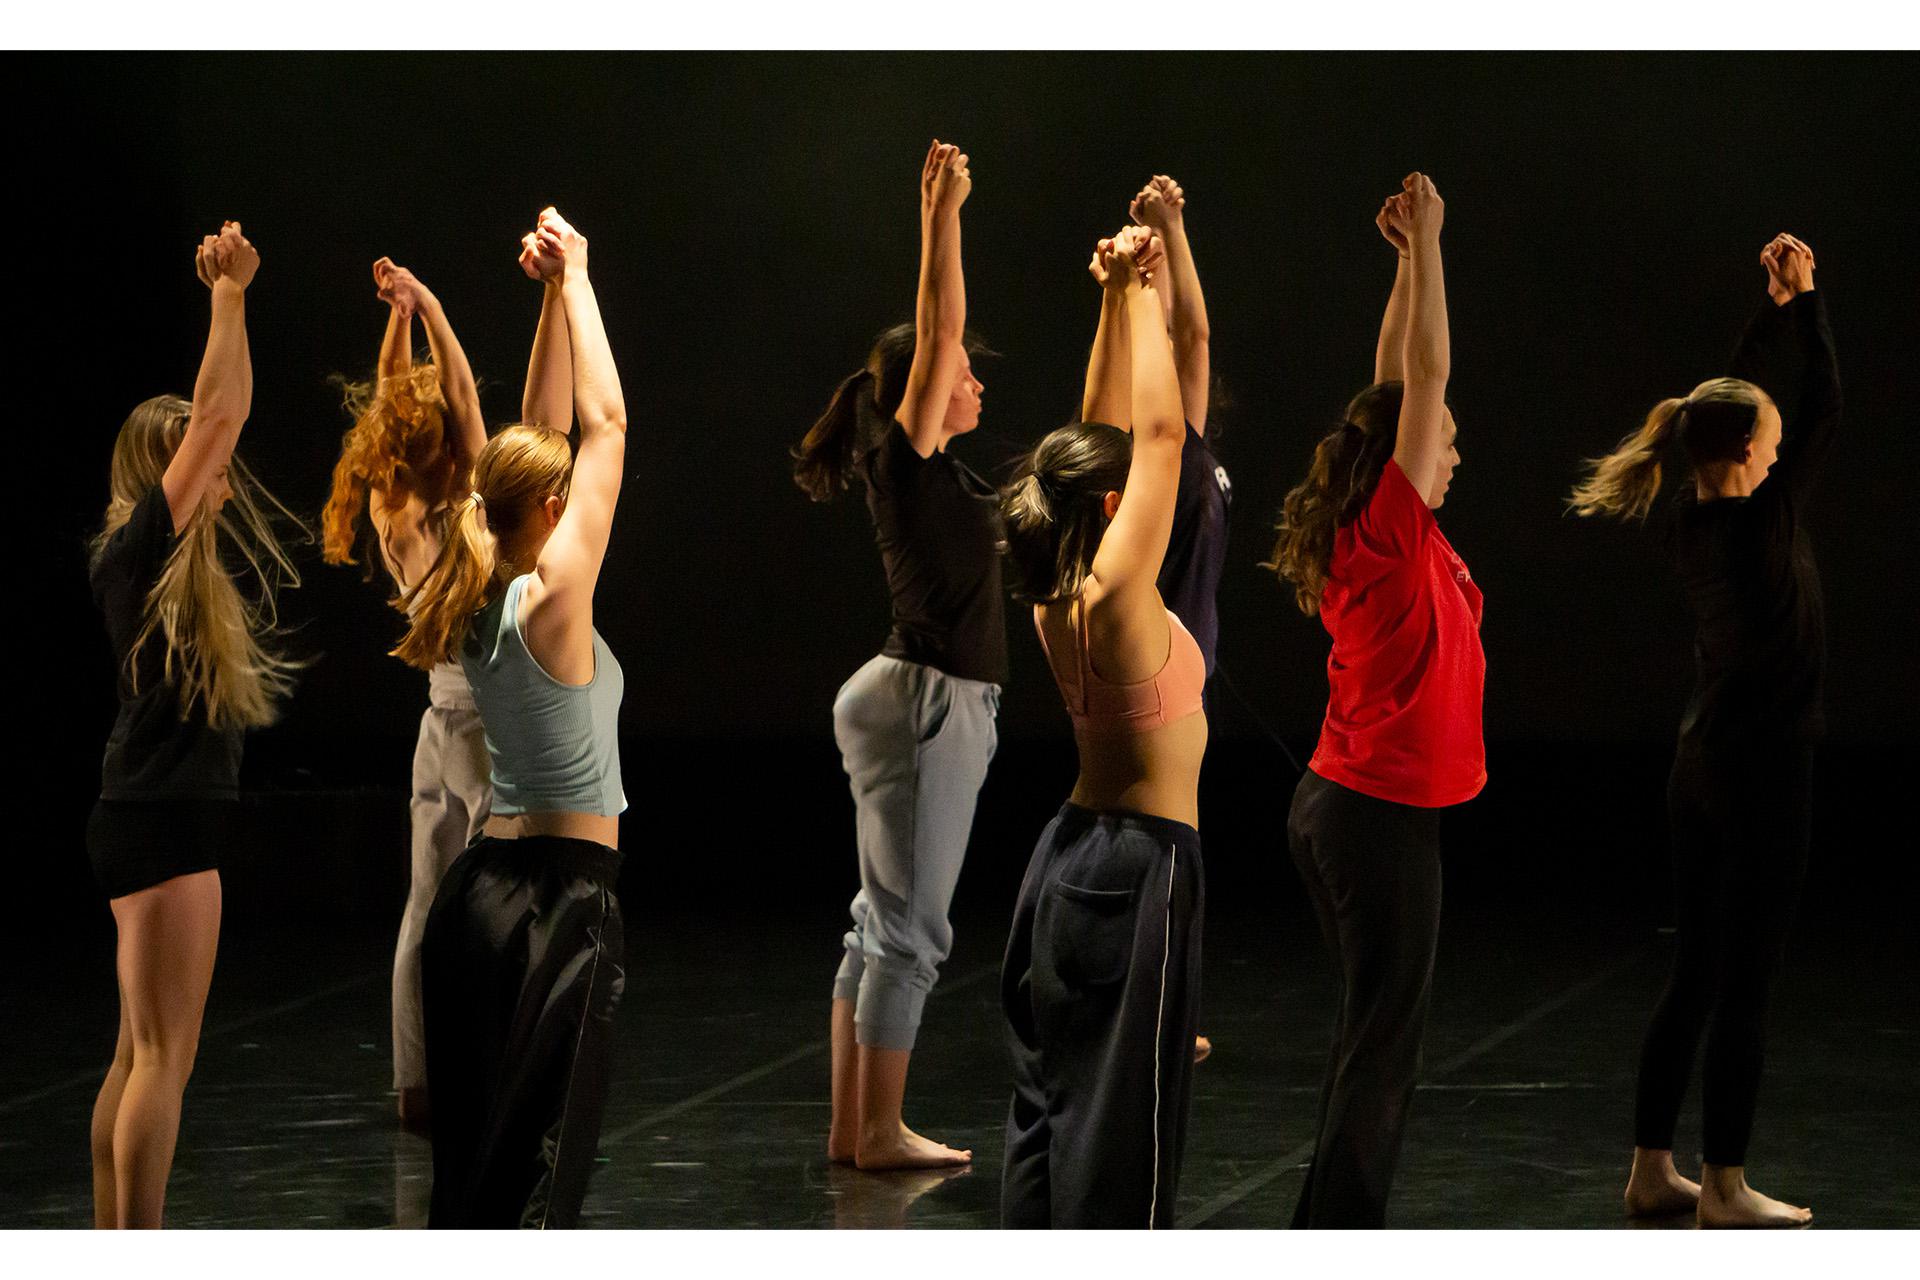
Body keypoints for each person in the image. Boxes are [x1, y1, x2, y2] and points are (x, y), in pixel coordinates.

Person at [1569, 234, 1835, 1229]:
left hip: (1701, 764)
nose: (1779, 441)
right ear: (1751, 452)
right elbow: (1824, 406)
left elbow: (1730, 398)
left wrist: (1768, 314)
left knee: (1696, 970)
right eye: (1767, 434)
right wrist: (1806, 307)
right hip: (1765, 769)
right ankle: (1722, 1183)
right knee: (1748, 978)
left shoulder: (1695, 513)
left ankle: (1650, 1170)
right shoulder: (1763, 521)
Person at [395, 208, 629, 1228]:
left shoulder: (478, 579)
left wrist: (543, 301)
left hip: (476, 898)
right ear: (546, 510)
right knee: (534, 1186)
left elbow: (540, 434)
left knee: (474, 1187)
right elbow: (604, 423)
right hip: (556, 906)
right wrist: (576, 274)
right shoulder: (555, 597)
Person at [1266, 174, 1482, 1228]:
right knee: (1385, 1047)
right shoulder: (1391, 530)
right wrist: (1434, 241)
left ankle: (1328, 1222)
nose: (1452, 449)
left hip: (1353, 811)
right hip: (1374, 819)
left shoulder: (1385, 524)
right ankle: (1339, 1233)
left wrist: (1402, 261)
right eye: (1444, 438)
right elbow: (1425, 376)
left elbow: (1399, 375)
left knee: (1372, 1034)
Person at [791, 141, 1005, 1170]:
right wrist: (942, 213)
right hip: (927, 702)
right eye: (960, 372)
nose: (971, 381)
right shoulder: (906, 454)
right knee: (912, 929)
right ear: (918, 376)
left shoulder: (934, 474)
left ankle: (853, 1124)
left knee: (879, 924)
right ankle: (878, 1129)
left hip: (911, 695)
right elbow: (941, 325)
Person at [87, 221, 302, 1227]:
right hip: (165, 819)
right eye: (194, 465)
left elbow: (218, 427)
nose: (217, 472)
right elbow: (219, 417)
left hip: (144, 811)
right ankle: (138, 1239)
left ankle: (111, 1233)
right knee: (163, 1056)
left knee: (138, 1050)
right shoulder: (137, 551)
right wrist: (230, 296)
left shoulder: (147, 567)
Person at [999, 225, 1205, 1228]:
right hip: (1138, 866)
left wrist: (1119, 295)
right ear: (1115, 503)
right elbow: (1157, 436)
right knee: (1127, 1127)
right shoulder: (1120, 585)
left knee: (1053, 1106)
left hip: (1067, 859)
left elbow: (1096, 431)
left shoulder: (1059, 586)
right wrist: (1141, 297)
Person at [320, 256, 491, 1135]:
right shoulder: (452, 493)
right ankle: (497, 1058)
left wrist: (397, 319)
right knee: (507, 897)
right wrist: (429, 305)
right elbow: (461, 396)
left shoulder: (394, 498)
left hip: (437, 717)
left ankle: (415, 1082)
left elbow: (400, 390)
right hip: (484, 726)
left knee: (425, 906)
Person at [1094, 173, 1230, 1064]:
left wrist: (1173, 228)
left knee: (1174, 847)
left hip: (1189, 674)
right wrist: (1128, 292)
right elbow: (1157, 356)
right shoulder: (1143, 463)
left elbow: (1197, 333)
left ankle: (1164, 1007)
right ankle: (1137, 1008)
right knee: (1149, 843)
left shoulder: (1198, 444)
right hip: (1150, 670)